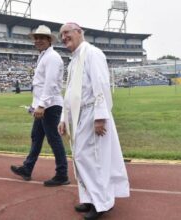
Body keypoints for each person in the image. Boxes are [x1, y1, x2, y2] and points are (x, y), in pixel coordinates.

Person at [58, 22, 130, 219]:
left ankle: (102, 203)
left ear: (79, 32)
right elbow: (70, 93)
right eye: (61, 35)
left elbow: (101, 85)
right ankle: (90, 199)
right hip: (79, 115)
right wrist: (64, 118)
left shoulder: (92, 53)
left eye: (67, 33)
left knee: (94, 159)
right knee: (82, 158)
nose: (63, 37)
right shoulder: (74, 61)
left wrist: (100, 117)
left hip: (92, 115)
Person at [10, 25, 70, 187]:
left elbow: (50, 84)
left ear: (49, 40)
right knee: (36, 137)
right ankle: (27, 168)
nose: (38, 41)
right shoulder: (44, 56)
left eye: (42, 38)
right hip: (43, 105)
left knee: (53, 139)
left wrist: (41, 105)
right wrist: (35, 105)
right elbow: (42, 84)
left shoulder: (52, 57)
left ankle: (62, 174)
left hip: (49, 106)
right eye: (36, 38)